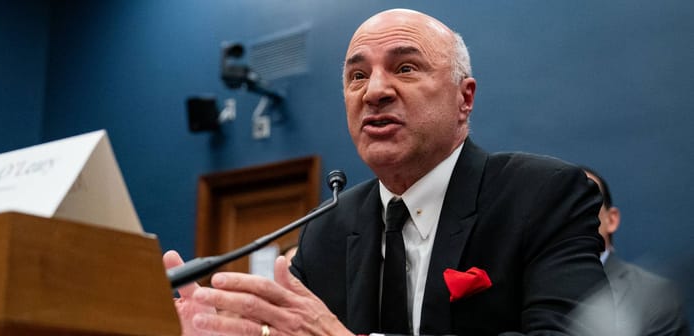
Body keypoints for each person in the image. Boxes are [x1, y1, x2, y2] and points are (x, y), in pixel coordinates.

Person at [163, 8, 614, 335]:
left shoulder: (542, 196)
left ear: (465, 98)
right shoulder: (326, 230)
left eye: (405, 67)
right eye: (357, 77)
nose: (374, 91)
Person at [582, 166, 691, 336]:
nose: (572, 219)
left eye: (586, 208)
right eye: (561, 211)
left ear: (612, 219)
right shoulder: (529, 289)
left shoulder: (654, 297)